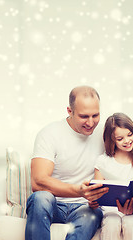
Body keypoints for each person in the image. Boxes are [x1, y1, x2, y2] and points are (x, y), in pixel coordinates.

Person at [25, 86, 109, 240]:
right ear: (70, 111)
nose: (91, 123)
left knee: (93, 213)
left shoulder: (105, 133)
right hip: (54, 204)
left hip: (86, 207)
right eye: (84, 116)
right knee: (40, 198)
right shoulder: (50, 133)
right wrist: (78, 190)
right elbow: (38, 182)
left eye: (95, 115)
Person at [90, 112, 133, 240]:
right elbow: (96, 192)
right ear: (111, 140)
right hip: (110, 212)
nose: (127, 141)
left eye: (129, 135)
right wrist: (92, 201)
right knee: (112, 222)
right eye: (120, 139)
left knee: (131, 222)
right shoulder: (103, 161)